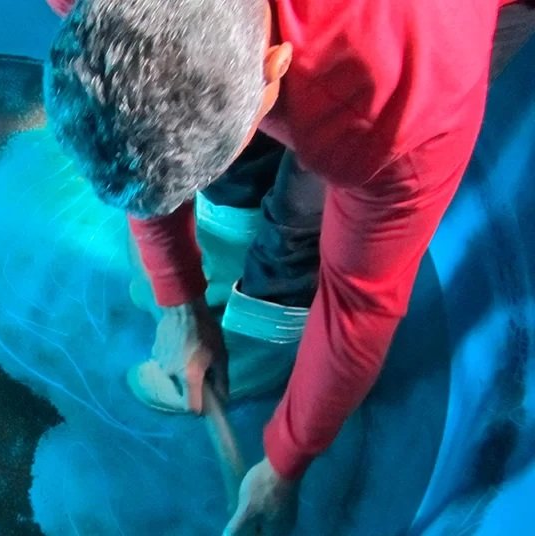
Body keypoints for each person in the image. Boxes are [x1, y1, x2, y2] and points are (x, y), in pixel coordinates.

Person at [41, 0, 535, 534]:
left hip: (410, 39)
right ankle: (226, 234)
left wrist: (285, 463)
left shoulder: (403, 104)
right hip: (283, 63)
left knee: (306, 213)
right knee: (222, 153)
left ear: (277, 64)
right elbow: (128, 126)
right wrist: (178, 297)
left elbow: (357, 306)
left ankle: (268, 330)